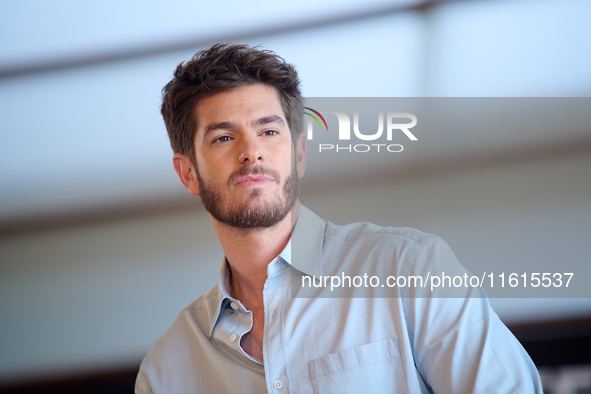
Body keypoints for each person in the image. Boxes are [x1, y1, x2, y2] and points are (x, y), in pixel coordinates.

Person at [135, 43, 542, 393]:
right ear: (187, 173)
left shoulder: (410, 268)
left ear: (298, 154)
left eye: (269, 131)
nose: (251, 152)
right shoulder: (165, 372)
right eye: (224, 137)